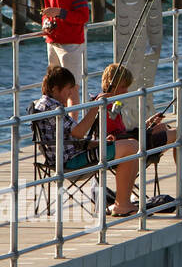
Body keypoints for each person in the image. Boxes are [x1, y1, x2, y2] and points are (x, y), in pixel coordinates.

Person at [94, 63, 182, 198]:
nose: (126, 91)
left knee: (174, 132)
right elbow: (115, 138)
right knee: (178, 134)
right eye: (123, 87)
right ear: (111, 84)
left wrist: (148, 124)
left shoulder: (110, 102)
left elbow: (122, 133)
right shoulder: (105, 106)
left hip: (129, 144)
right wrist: (148, 132)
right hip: (126, 150)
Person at [34, 65, 143, 216]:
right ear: (54, 89)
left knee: (131, 145)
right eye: (68, 89)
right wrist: (96, 106)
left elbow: (71, 137)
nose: (70, 94)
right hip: (71, 161)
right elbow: (78, 133)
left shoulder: (42, 104)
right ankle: (122, 204)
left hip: (68, 154)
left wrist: (99, 143)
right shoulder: (52, 107)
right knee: (132, 146)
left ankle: (123, 201)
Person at [40, 0, 89, 90]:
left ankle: (73, 114)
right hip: (52, 43)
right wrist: (45, 23)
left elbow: (83, 16)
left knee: (72, 87)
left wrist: (60, 13)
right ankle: (57, 114)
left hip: (71, 45)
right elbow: (46, 15)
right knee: (54, 88)